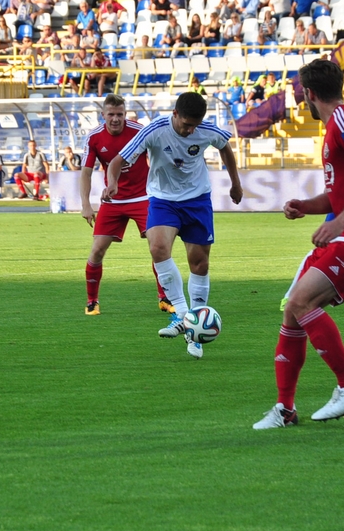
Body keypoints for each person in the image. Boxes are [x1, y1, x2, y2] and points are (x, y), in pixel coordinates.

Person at [252, 60, 344, 430]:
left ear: (310, 94)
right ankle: (285, 409)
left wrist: (340, 223)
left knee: (300, 302)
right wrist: (308, 207)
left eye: (304, 97)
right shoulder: (337, 126)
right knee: (292, 311)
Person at [104, 92, 242, 360]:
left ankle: (195, 332)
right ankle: (181, 313)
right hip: (163, 200)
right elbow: (117, 161)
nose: (191, 131)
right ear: (175, 114)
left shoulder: (205, 129)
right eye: (186, 124)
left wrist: (235, 182)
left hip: (197, 201)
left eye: (195, 126)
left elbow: (224, 145)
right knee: (157, 248)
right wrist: (113, 183)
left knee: (199, 263)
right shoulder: (155, 130)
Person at [81, 94, 172, 316]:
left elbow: (158, 156)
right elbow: (85, 172)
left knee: (158, 248)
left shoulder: (139, 131)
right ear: (103, 115)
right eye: (110, 114)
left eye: (119, 114)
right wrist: (86, 204)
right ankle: (92, 301)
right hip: (112, 201)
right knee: (96, 251)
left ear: (125, 114)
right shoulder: (94, 138)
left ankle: (165, 298)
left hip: (143, 198)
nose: (115, 119)